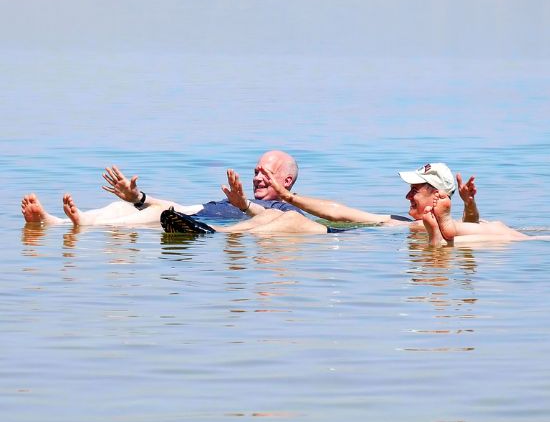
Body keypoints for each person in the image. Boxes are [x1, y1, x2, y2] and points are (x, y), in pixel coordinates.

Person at [161, 162, 545, 244]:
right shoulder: (396, 219)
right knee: (279, 221)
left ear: (437, 195)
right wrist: (290, 197)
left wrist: (469, 206)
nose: (408, 194)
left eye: (416, 188)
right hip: (338, 236)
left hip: (341, 243)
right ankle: (208, 233)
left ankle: (207, 236)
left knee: (284, 224)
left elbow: (460, 230)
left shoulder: (433, 224)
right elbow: (341, 211)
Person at [21, 150, 302, 226]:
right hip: (196, 213)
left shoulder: (287, 210)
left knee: (155, 215)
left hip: (199, 225)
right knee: (124, 205)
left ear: (286, 182)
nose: (256, 179)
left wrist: (244, 206)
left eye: (265, 174)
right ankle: (57, 222)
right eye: (255, 172)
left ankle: (83, 225)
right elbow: (185, 207)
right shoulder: (236, 199)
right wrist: (140, 197)